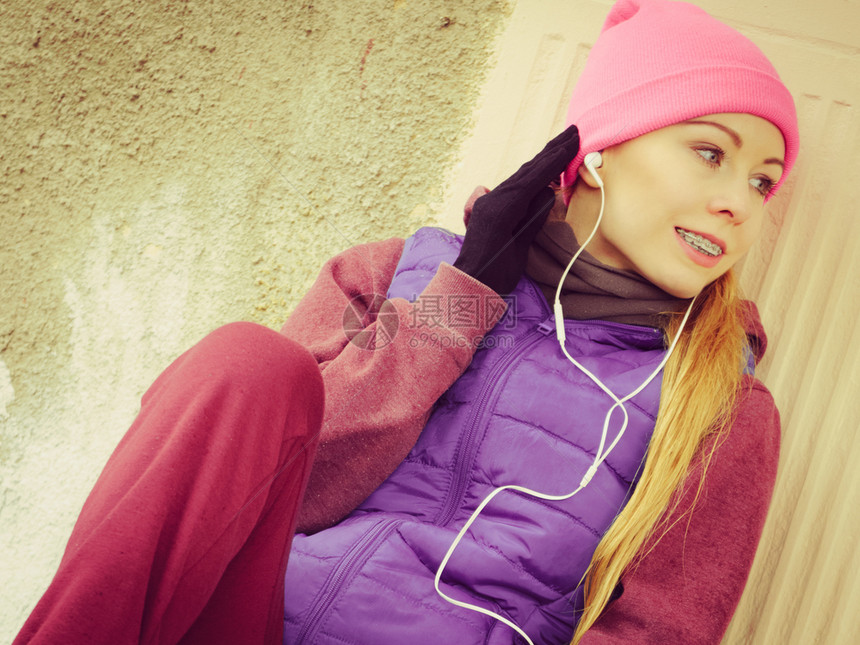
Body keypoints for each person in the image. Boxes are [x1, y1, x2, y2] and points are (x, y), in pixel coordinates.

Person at [14, 0, 799, 643]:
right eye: (709, 152)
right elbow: (301, 488)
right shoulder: (394, 274)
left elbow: (656, 631)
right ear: (598, 151)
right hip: (246, 624)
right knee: (247, 363)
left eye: (764, 182)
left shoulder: (721, 404)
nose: (738, 202)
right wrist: (458, 304)